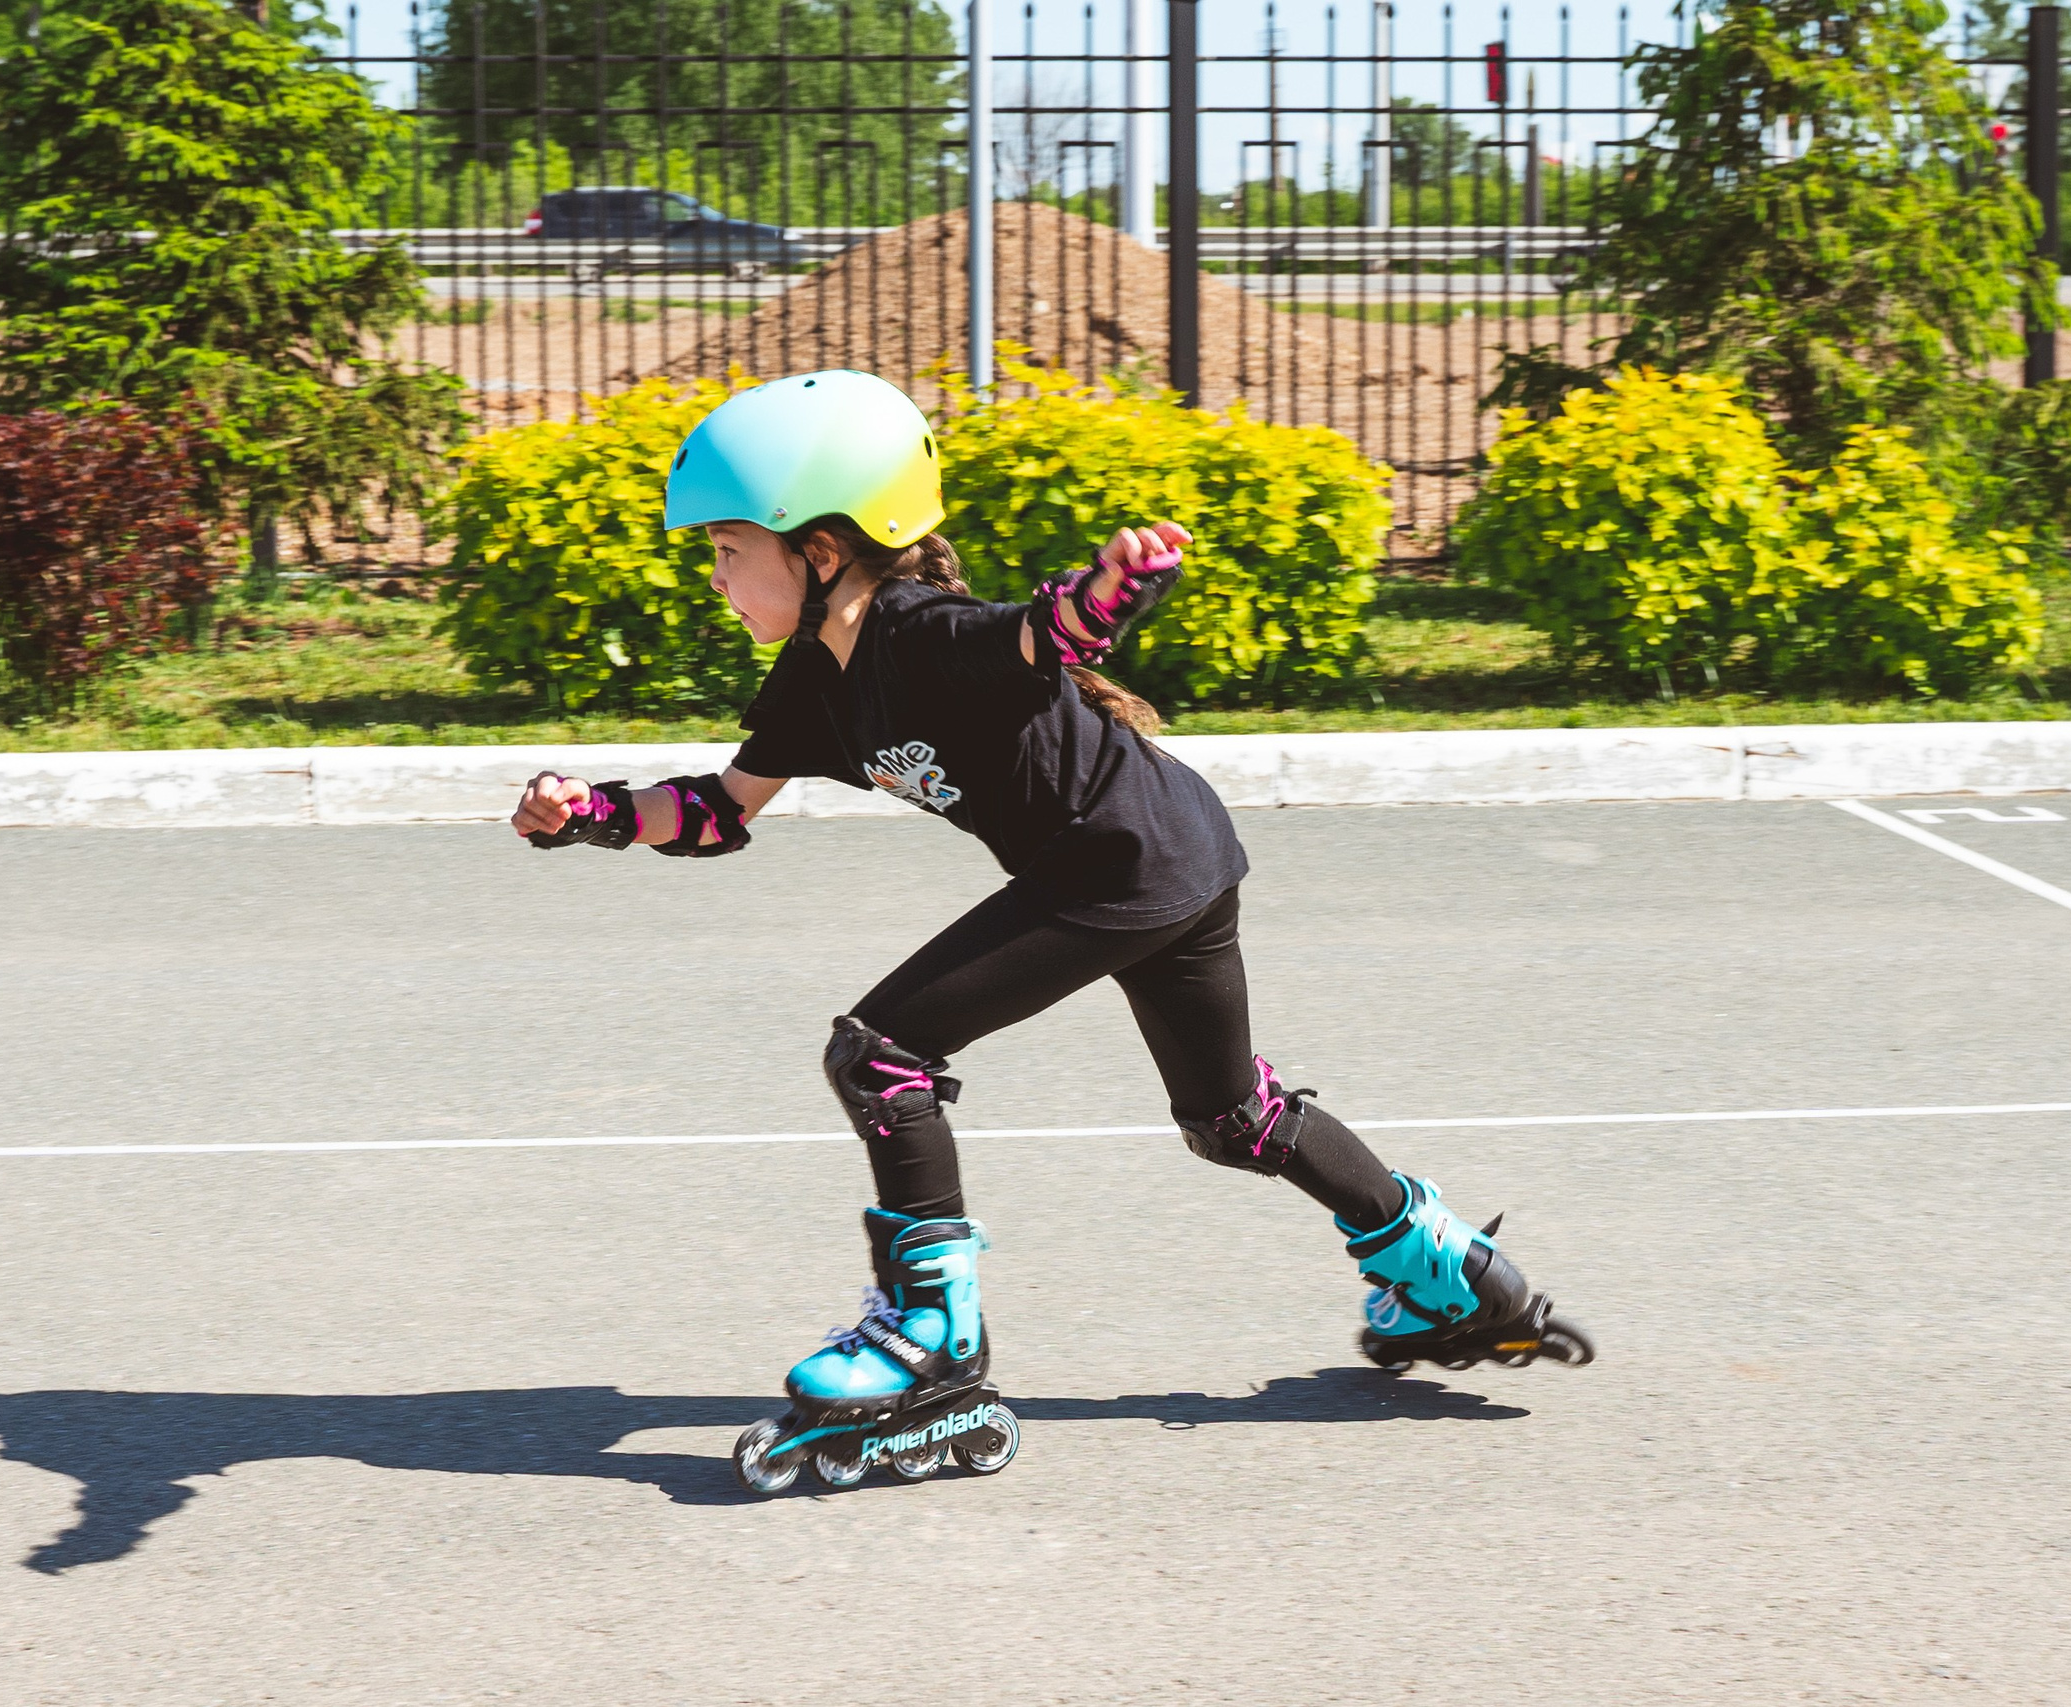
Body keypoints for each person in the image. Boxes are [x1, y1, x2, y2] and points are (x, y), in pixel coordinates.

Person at [511, 369, 1589, 1491]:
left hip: (1121, 866)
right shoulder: (813, 681)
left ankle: (931, 1338)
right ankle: (1445, 1272)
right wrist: (588, 813)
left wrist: (1106, 593)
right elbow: (716, 814)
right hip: (1173, 854)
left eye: (730, 550)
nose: (717, 577)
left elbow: (1039, 636)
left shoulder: (919, 631)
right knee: (1230, 1119)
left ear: (821, 551)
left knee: (879, 1055)